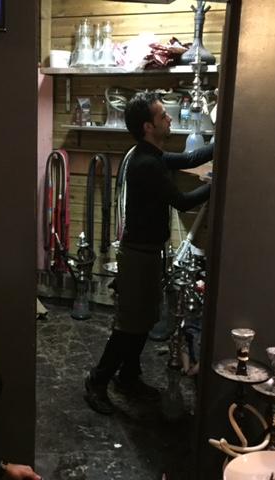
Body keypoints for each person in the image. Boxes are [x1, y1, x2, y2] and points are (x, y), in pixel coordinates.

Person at [84, 92, 214, 414]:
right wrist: (220, 182)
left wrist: (227, 141)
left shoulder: (152, 154)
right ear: (148, 126)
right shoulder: (145, 163)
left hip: (147, 252)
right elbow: (182, 202)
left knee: (142, 322)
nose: (169, 118)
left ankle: (128, 376)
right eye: (162, 116)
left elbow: (188, 160)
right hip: (138, 256)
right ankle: (97, 381)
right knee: (129, 324)